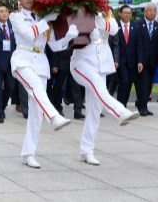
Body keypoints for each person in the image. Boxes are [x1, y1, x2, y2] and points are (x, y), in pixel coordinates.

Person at [49, 10, 140, 165]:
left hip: (101, 64)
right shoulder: (76, 13)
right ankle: (120, 111)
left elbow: (113, 29)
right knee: (98, 87)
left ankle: (87, 150)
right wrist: (85, 18)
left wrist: (97, 19)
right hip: (82, 63)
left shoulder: (105, 12)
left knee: (95, 110)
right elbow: (67, 37)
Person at [9, 0, 71, 169]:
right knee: (36, 88)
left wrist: (70, 35)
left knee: (36, 112)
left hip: (41, 63)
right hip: (23, 60)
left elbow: (54, 45)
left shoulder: (43, 17)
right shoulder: (16, 16)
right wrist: (46, 20)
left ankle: (29, 153)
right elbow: (29, 34)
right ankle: (53, 116)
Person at [135, 3, 158, 116]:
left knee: (149, 84)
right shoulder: (138, 25)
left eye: (154, 10)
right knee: (143, 83)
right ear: (145, 12)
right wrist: (138, 59)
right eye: (150, 10)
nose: (152, 12)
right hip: (141, 60)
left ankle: (144, 104)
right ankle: (141, 105)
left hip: (153, 60)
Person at [116, 5, 143, 106]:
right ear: (120, 13)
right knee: (124, 81)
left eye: (129, 13)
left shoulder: (136, 28)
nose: (127, 15)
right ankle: (119, 104)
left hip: (132, 61)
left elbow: (139, 46)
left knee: (129, 83)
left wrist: (140, 61)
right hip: (120, 61)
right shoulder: (115, 26)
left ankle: (124, 104)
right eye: (125, 13)